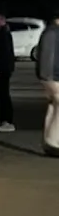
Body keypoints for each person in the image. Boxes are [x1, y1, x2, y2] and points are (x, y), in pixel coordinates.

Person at [35, 13, 59, 157]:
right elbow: (47, 56)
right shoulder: (52, 33)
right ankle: (54, 142)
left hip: (51, 76)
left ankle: (49, 141)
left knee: (53, 107)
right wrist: (47, 76)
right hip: (53, 77)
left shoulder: (51, 31)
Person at [0, 12, 16, 132]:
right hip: (5, 68)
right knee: (2, 95)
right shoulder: (3, 32)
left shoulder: (2, 34)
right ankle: (3, 120)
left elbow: (3, 53)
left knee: (3, 95)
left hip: (3, 69)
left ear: (2, 20)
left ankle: (7, 121)